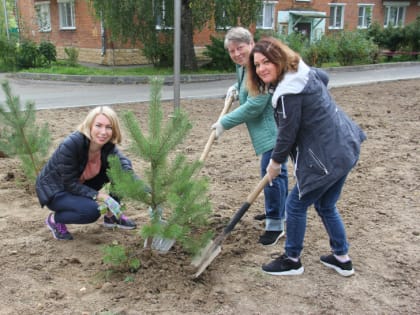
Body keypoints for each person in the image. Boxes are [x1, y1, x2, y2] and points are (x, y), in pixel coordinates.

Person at [247, 37, 366, 276]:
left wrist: (275, 163)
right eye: (257, 65)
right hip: (345, 145)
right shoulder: (303, 73)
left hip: (326, 158)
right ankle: (342, 257)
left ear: (279, 59)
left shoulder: (289, 93)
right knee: (326, 204)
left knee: (295, 205)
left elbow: (286, 134)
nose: (261, 69)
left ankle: (292, 259)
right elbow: (324, 76)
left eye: (267, 62)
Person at [211, 27, 288, 246]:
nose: (236, 54)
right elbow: (244, 84)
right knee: (274, 174)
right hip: (265, 133)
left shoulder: (261, 68)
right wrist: (235, 88)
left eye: (240, 48)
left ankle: (275, 224)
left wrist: (224, 123)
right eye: (232, 50)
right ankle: (278, 212)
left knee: (271, 173)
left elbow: (255, 105)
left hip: (273, 131)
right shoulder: (244, 67)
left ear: (251, 43)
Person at [36, 106, 137, 240]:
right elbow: (69, 183)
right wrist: (99, 196)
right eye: (98, 125)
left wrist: (145, 190)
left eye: (109, 127)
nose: (103, 132)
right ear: (89, 125)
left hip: (81, 184)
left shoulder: (108, 146)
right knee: (90, 212)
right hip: (57, 189)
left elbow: (124, 166)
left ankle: (111, 215)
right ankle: (55, 219)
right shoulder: (72, 144)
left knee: (119, 172)